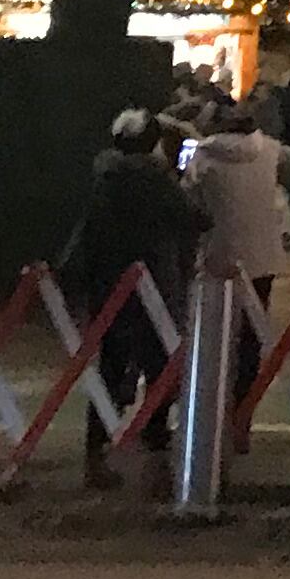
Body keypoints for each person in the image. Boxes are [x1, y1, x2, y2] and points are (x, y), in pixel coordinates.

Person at [66, 107, 202, 488]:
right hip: (153, 283)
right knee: (159, 363)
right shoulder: (157, 180)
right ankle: (155, 445)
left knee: (110, 367)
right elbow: (191, 217)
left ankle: (97, 449)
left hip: (107, 283)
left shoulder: (103, 176)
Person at [189, 90, 288, 437]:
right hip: (263, 257)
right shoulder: (271, 150)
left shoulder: (203, 156)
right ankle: (242, 416)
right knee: (251, 338)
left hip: (219, 256)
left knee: (216, 337)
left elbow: (192, 200)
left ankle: (211, 415)